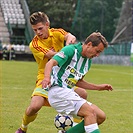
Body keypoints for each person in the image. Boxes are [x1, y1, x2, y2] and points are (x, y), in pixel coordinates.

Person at [15, 11, 87, 133]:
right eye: (35, 30)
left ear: (47, 24)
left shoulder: (57, 32)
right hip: (45, 76)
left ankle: (72, 128)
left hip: (62, 77)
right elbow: (51, 55)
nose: (38, 32)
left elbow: (70, 37)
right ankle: (23, 127)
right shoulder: (34, 44)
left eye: (40, 28)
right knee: (34, 106)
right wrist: (68, 52)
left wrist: (69, 41)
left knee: (82, 94)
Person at [41, 32, 113, 133]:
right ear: (89, 44)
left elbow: (78, 82)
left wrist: (98, 87)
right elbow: (50, 63)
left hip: (68, 93)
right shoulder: (70, 50)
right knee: (90, 112)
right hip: (57, 91)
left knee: (100, 116)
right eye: (97, 51)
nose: (97, 55)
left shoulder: (88, 61)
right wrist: (46, 78)